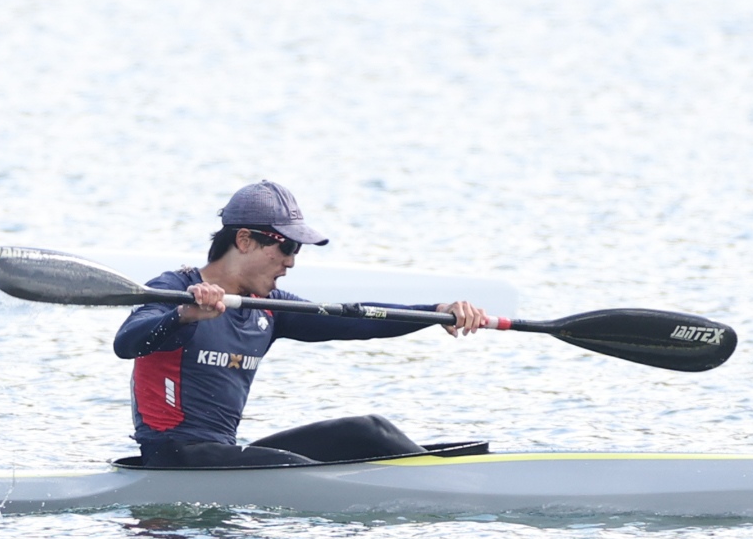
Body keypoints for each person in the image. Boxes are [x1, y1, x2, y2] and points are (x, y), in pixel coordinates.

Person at [112, 180, 493, 468]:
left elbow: (356, 321)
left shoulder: (269, 307)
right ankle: (439, 482)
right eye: (286, 246)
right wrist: (183, 316)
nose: (291, 261)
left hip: (222, 452)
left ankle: (445, 476)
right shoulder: (175, 289)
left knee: (369, 429)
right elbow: (127, 343)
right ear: (244, 240)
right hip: (174, 455)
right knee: (296, 469)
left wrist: (436, 311)